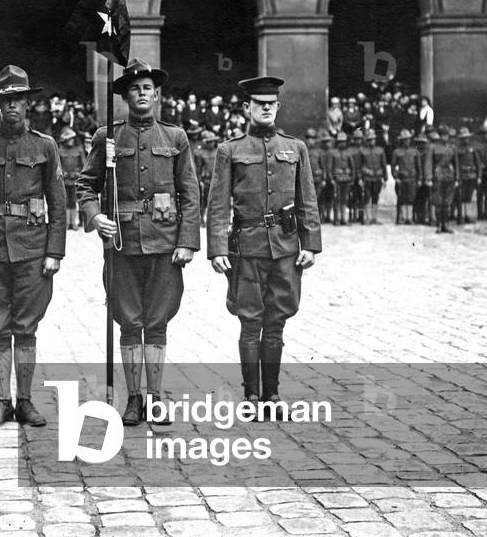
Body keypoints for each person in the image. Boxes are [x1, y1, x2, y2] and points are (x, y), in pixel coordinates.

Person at [77, 58, 201, 426]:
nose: (142, 93)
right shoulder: (107, 137)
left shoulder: (175, 137)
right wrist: (95, 216)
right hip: (122, 243)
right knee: (129, 322)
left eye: (148, 88)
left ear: (157, 94)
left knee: (157, 321)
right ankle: (133, 399)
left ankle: (156, 396)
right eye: (134, 88)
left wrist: (187, 241)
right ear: (125, 95)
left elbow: (190, 193)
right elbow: (86, 184)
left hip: (165, 244)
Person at [0, 66, 66, 429]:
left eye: (18, 100)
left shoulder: (45, 146)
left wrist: (55, 251)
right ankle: (2, 402)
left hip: (33, 249)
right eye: (6, 101)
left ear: (27, 104)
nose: (12, 107)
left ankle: (25, 400)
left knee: (27, 325)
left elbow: (59, 202)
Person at [206, 76, 321, 411]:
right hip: (248, 247)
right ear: (247, 108)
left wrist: (310, 243)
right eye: (259, 104)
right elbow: (218, 204)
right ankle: (251, 394)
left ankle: (271, 393)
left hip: (285, 249)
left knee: (276, 321)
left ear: (278, 108)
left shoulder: (295, 148)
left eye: (271, 104)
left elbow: (307, 199)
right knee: (250, 320)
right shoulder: (230, 150)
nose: (266, 109)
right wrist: (217, 249)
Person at [425, 125, 459, 234]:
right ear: (440, 136)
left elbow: (456, 164)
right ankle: (439, 224)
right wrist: (429, 178)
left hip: (450, 177)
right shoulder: (433, 147)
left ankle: (446, 224)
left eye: (447, 135)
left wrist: (457, 178)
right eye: (443, 135)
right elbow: (429, 163)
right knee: (438, 202)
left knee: (448, 202)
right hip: (438, 177)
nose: (446, 137)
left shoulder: (452, 148)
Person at [57, 126, 85, 230]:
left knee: (73, 201)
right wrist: (62, 172)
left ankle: (73, 222)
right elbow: (57, 165)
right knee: (65, 201)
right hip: (64, 180)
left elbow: (84, 165)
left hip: (75, 180)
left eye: (72, 138)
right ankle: (67, 222)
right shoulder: (60, 150)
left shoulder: (78, 150)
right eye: (70, 139)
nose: (71, 141)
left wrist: (77, 173)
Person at [391, 129, 420, 225]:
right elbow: (393, 167)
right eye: (404, 140)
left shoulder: (415, 152)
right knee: (403, 199)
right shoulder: (397, 152)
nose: (406, 141)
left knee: (411, 199)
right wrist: (396, 177)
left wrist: (419, 179)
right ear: (401, 141)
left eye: (408, 139)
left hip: (412, 178)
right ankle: (403, 217)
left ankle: (409, 218)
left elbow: (418, 167)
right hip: (402, 179)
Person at [454, 127, 481, 225]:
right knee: (461, 197)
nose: (465, 139)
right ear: (460, 138)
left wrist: (479, 176)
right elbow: (456, 164)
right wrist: (457, 177)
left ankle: (467, 215)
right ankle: (460, 215)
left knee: (469, 197)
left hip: (472, 175)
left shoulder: (472, 148)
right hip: (462, 175)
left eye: (467, 137)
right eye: (463, 138)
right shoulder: (457, 149)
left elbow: (477, 163)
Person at [359, 129, 387, 225]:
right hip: (367, 178)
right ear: (367, 140)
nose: (372, 141)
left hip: (378, 178)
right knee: (367, 198)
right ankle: (368, 218)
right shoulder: (362, 151)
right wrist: (360, 178)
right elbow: (359, 165)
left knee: (376, 198)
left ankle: (374, 218)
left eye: (373, 139)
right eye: (370, 139)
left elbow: (383, 164)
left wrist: (385, 179)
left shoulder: (380, 150)